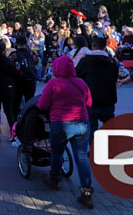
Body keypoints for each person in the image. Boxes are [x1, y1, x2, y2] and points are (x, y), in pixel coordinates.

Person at [37, 56, 94, 209]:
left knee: (56, 153)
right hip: (82, 122)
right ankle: (86, 191)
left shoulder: (54, 83)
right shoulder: (81, 83)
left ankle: (55, 179)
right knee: (82, 157)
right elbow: (89, 103)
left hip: (60, 123)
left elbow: (42, 104)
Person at [75, 37, 118, 140]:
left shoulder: (86, 61)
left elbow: (76, 75)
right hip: (108, 100)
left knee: (91, 128)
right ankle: (110, 149)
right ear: (104, 48)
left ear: (93, 46)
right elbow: (115, 78)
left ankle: (93, 150)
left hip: (91, 99)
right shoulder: (111, 61)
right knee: (110, 127)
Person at [11, 35, 38, 120]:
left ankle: (15, 122)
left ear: (16, 44)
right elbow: (36, 63)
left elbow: (10, 65)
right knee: (29, 102)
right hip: (30, 80)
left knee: (16, 102)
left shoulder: (14, 54)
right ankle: (28, 120)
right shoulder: (32, 53)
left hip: (18, 81)